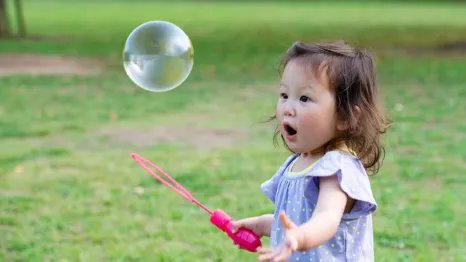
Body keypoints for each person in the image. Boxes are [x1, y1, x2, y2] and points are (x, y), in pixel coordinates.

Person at [231, 40, 391, 262]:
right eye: (284, 95)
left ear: (345, 117)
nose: (288, 108)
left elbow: (326, 217)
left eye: (304, 98)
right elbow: (298, 219)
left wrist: (301, 237)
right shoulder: (296, 163)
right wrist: (261, 224)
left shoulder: (337, 168)